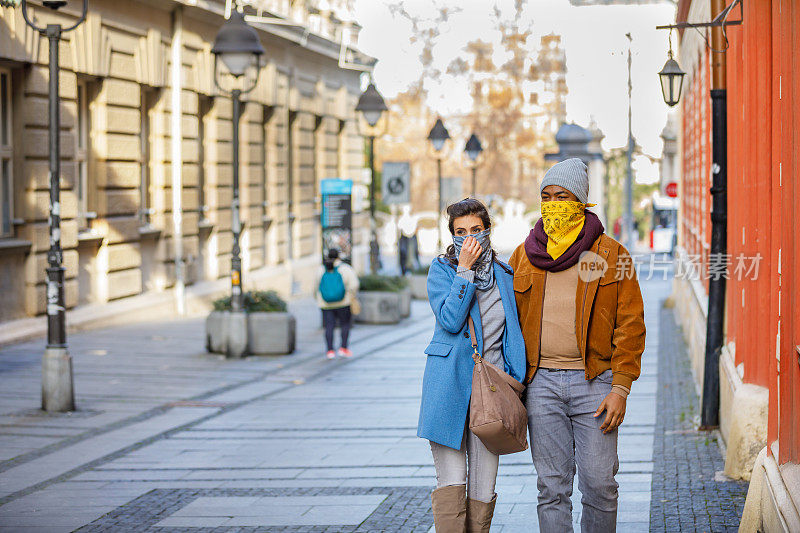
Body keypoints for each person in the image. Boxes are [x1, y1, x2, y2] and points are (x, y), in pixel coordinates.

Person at [509, 158, 646, 532]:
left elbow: (631, 324)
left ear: (582, 202)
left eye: (562, 196)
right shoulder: (524, 255)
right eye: (546, 196)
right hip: (541, 386)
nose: (553, 204)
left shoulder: (611, 254)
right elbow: (506, 321)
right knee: (551, 488)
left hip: (596, 384)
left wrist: (621, 388)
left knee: (600, 485)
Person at [417, 198, 527, 532]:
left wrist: (515, 382)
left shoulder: (505, 276)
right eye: (461, 231)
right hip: (448, 388)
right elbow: (450, 320)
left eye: (476, 230)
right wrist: (463, 270)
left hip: (490, 396)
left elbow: (514, 336)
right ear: (451, 235)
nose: (469, 238)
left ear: (488, 230)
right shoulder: (442, 270)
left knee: (482, 489)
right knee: (452, 483)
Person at [315, 248, 359, 359]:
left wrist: (318, 298)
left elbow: (315, 287)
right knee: (345, 325)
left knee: (329, 326)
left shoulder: (321, 269)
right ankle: (343, 348)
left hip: (325, 304)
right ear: (339, 256)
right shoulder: (346, 268)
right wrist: (351, 295)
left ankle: (330, 351)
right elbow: (354, 285)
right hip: (344, 303)